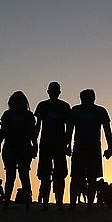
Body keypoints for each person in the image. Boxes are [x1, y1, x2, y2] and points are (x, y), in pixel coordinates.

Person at [66, 88, 112, 209]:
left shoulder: (100, 111)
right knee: (76, 177)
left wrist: (110, 147)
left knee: (92, 178)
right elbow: (70, 129)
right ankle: (73, 204)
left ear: (93, 98)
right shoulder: (75, 110)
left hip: (93, 147)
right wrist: (67, 144)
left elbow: (107, 130)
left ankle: (89, 205)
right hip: (80, 146)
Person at [33, 82, 72, 210]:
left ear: (59, 92)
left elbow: (69, 127)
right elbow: (38, 126)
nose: (54, 92)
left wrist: (67, 144)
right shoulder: (42, 105)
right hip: (45, 144)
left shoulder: (64, 106)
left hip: (59, 144)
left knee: (60, 175)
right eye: (52, 90)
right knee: (45, 175)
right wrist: (34, 142)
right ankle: (45, 204)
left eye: (56, 90)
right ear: (48, 92)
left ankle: (59, 203)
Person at [0, 91, 37, 210]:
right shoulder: (7, 115)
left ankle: (27, 204)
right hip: (10, 147)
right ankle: (6, 204)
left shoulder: (29, 115)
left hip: (24, 147)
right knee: (10, 176)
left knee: (24, 175)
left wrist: (35, 146)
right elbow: (2, 132)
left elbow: (32, 133)